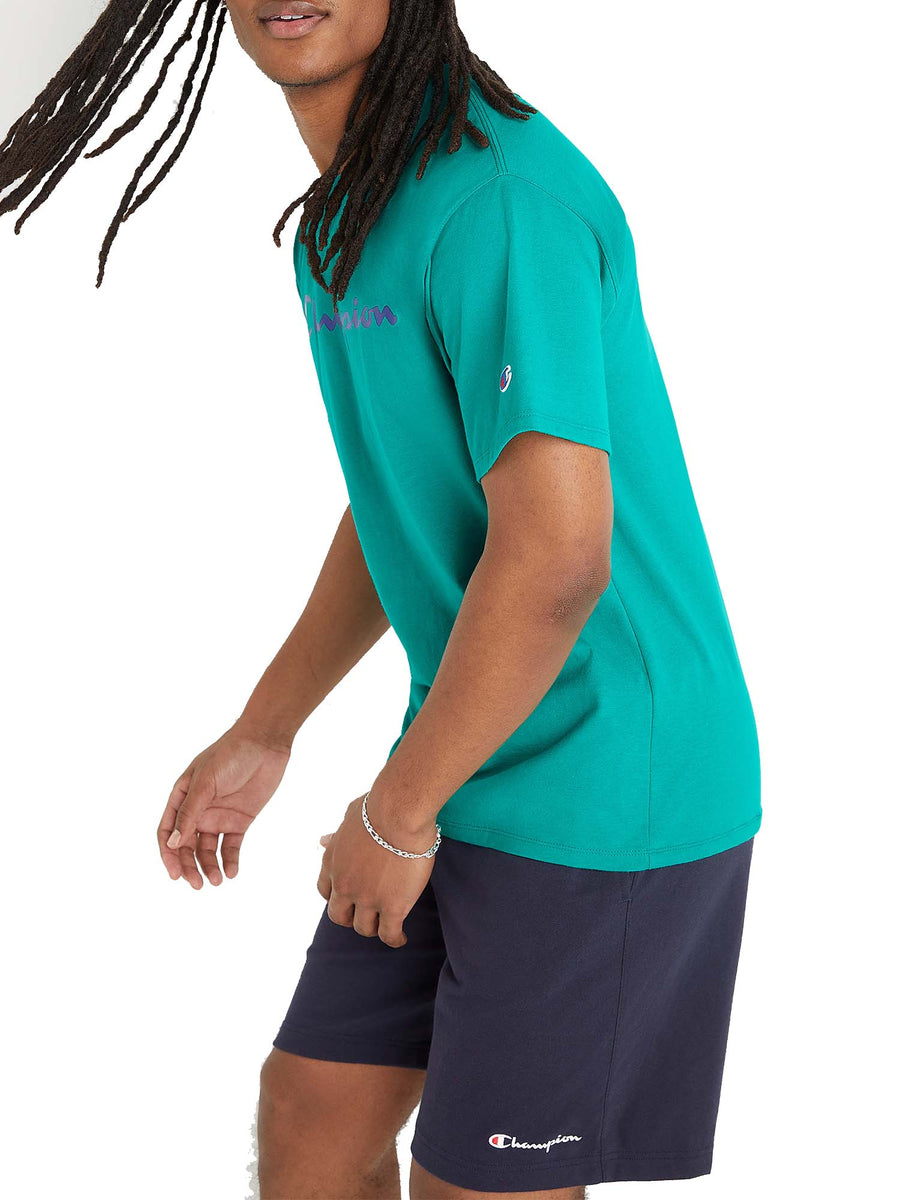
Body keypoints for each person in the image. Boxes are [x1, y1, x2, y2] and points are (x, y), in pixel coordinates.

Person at [1, 2, 763, 1196]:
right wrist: (266, 728)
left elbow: (557, 560)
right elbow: (406, 493)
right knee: (312, 1111)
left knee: (476, 1182)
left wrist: (397, 819)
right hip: (469, 752)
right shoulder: (345, 217)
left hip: (609, 779)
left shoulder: (502, 201)